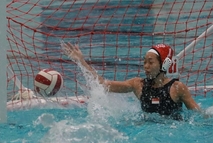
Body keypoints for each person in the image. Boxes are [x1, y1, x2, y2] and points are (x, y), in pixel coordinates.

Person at [63, 42, 201, 118]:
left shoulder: (177, 88)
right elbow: (102, 84)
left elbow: (198, 115)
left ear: (164, 64)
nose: (146, 66)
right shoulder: (137, 85)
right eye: (144, 62)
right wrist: (81, 61)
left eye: (150, 62)